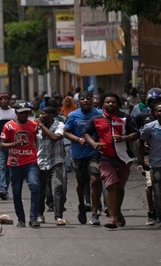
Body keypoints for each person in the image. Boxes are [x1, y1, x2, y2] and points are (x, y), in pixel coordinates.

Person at [83, 92, 139, 229]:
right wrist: (93, 144)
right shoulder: (96, 119)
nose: (110, 104)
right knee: (110, 184)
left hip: (124, 157)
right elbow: (86, 133)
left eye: (113, 102)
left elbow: (136, 133)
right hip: (105, 157)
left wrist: (123, 138)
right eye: (107, 102)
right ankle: (112, 218)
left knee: (119, 188)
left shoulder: (126, 118)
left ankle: (117, 211)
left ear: (117, 104)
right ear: (102, 104)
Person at [62, 92, 103, 225]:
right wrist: (78, 139)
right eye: (82, 99)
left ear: (92, 100)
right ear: (78, 101)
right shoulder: (73, 115)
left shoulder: (99, 114)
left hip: (94, 153)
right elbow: (65, 132)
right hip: (78, 155)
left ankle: (95, 212)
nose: (85, 101)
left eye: (88, 98)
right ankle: (81, 205)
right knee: (82, 183)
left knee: (95, 180)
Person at [0, 104, 40, 228]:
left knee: (34, 185)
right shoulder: (8, 126)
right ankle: (21, 219)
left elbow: (37, 140)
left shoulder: (34, 125)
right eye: (22, 112)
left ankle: (33, 218)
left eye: (26, 112)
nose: (24, 115)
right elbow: (2, 145)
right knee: (16, 192)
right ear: (16, 112)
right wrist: (15, 144)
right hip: (14, 163)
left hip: (30, 161)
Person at [36, 106, 67, 226]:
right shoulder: (35, 126)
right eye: (40, 113)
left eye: (44, 114)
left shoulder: (60, 125)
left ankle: (58, 216)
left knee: (58, 186)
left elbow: (54, 137)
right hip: (41, 161)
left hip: (56, 161)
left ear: (52, 115)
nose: (41, 116)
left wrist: (41, 126)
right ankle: (40, 215)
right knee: (40, 189)